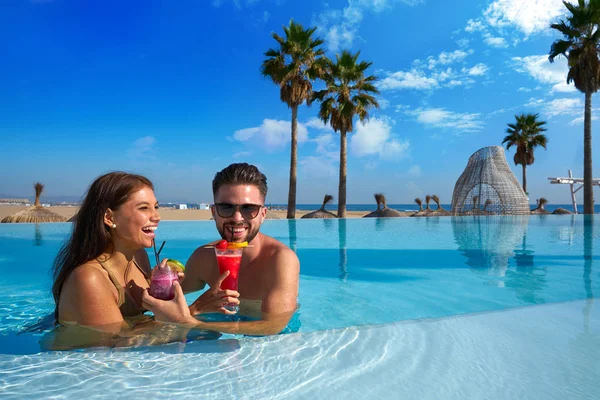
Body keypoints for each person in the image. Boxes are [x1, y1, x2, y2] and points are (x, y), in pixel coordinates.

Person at [51, 171, 233, 342]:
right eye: (143, 208)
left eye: (155, 206)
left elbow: (148, 319)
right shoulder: (89, 278)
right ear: (109, 217)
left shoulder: (139, 257)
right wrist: (192, 311)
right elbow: (118, 342)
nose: (157, 216)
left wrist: (164, 290)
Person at [143, 163, 300, 336]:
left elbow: (271, 327)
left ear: (262, 214)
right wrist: (162, 283)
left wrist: (191, 322)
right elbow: (166, 299)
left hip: (273, 344)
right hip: (223, 332)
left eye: (249, 208)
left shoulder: (280, 259)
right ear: (214, 212)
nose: (237, 218)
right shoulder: (204, 256)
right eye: (226, 207)